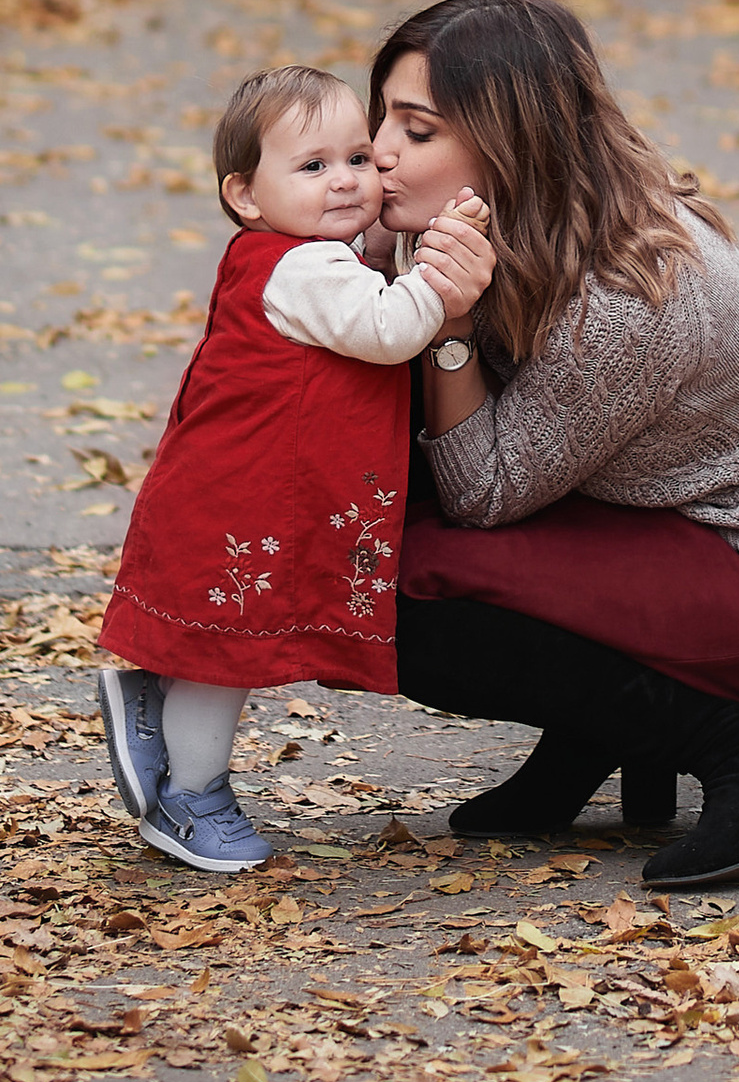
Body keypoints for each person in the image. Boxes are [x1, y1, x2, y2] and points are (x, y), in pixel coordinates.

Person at [367, 0, 739, 890]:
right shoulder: (504, 224)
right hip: (687, 531)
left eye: (416, 132)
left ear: (510, 145)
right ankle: (600, 736)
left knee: (399, 588)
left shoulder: (626, 295)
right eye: (383, 115)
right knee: (383, 525)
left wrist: (447, 323)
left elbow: (487, 493)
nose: (378, 150)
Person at [94, 64, 494, 873]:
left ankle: (157, 702)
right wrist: (443, 280)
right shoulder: (304, 269)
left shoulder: (290, 254)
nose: (347, 181)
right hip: (244, 503)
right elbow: (387, 330)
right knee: (225, 658)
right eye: (313, 168)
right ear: (245, 194)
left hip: (234, 493)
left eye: (356, 158)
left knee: (218, 647)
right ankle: (190, 798)